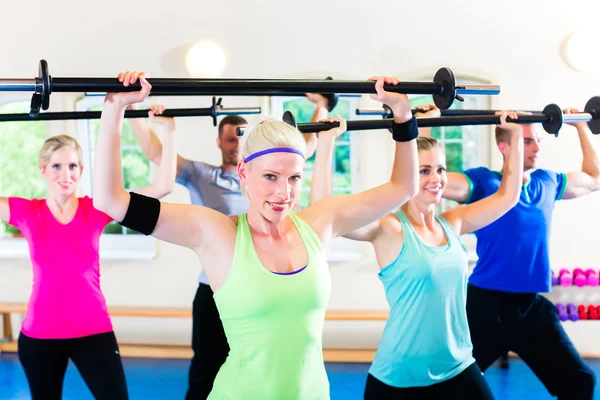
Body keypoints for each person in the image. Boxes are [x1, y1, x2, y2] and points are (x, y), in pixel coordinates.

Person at [93, 70, 419, 400]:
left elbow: (404, 186)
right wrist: (115, 109)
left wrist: (403, 115)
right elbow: (111, 201)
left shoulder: (319, 223)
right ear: (244, 173)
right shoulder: (218, 234)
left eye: (293, 178)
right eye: (271, 177)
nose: (283, 192)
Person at [310, 108, 524, 399]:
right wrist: (326, 143)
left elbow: (508, 196)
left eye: (440, 169)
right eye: (424, 171)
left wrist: (515, 136)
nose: (436, 178)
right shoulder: (389, 228)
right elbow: (325, 213)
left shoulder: (453, 223)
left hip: (457, 365)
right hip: (399, 377)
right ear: (409, 177)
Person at [127, 95, 326, 399]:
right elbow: (155, 152)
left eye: (242, 138)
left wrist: (323, 106)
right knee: (207, 367)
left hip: (263, 286)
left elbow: (303, 145)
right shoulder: (201, 175)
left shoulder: (274, 175)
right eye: (231, 139)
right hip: (216, 289)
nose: (237, 144)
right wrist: (132, 111)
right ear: (219, 142)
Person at [421, 105, 600, 399]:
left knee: (580, 383)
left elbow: (595, 178)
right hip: (484, 306)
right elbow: (428, 179)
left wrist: (581, 127)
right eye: (527, 140)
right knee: (448, 389)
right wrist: (423, 127)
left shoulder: (549, 181)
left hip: (530, 308)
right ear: (505, 146)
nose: (537, 148)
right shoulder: (482, 182)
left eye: (539, 140)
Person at [0, 117, 177, 400]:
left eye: (72, 166)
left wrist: (168, 131)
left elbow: (163, 186)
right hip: (40, 335)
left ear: (81, 170)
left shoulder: (97, 208)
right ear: (43, 170)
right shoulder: (27, 212)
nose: (65, 174)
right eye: (57, 166)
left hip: (93, 331)